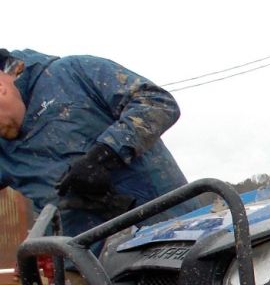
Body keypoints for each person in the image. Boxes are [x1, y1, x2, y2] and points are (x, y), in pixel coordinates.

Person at [0, 47, 187, 237]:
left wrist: (103, 156)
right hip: (84, 257)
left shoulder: (72, 73)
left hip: (171, 230)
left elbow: (158, 102)